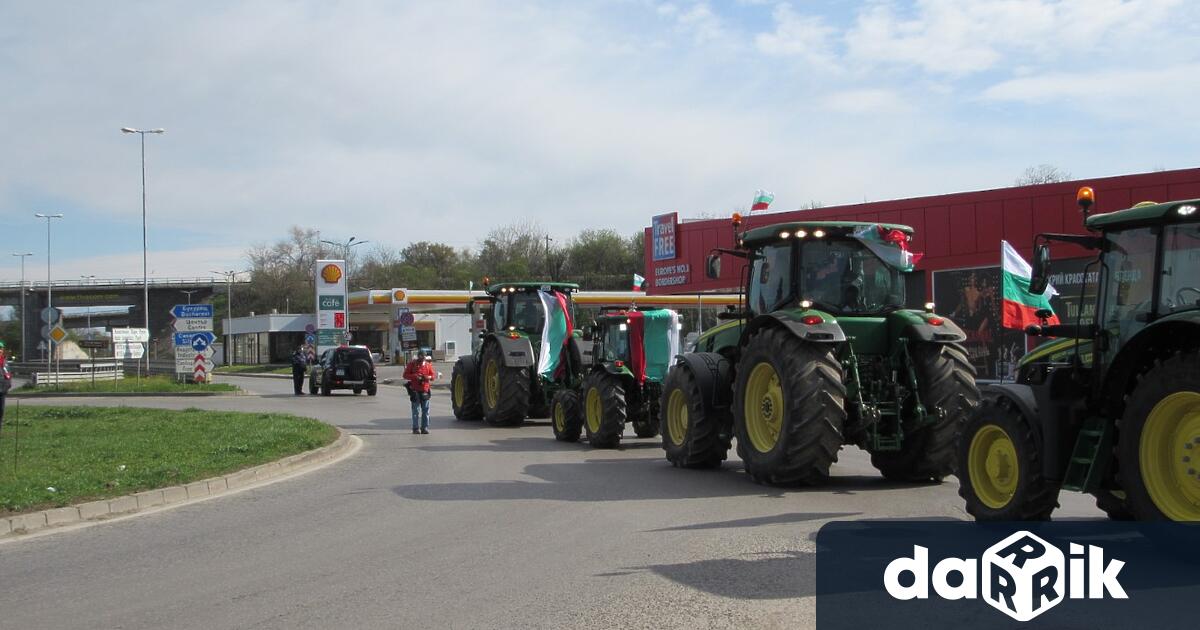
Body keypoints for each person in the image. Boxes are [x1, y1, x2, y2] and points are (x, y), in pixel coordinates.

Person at [403, 348, 436, 434]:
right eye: (421, 356)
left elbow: (433, 376)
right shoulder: (412, 364)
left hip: (425, 390)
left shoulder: (428, 365)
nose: (422, 358)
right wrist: (415, 376)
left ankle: (424, 428)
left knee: (425, 410)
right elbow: (405, 375)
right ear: (418, 356)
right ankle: (415, 428)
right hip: (415, 390)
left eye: (424, 356)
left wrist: (427, 377)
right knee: (415, 411)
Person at [0, 341, 9, 430]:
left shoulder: (4, 362)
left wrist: (8, 385)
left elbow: (8, 375)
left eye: (0, 348)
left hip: (2, 390)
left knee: (1, 410)